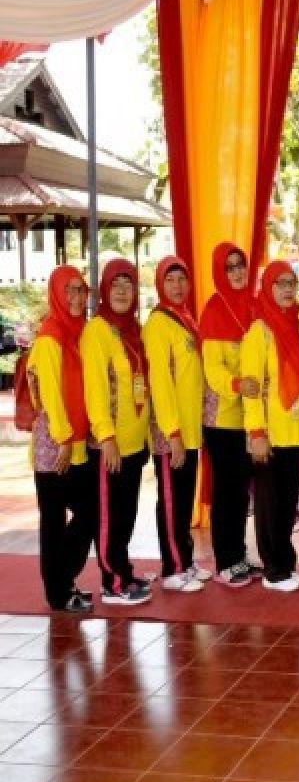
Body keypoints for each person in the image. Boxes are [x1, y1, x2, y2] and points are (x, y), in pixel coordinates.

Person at [241, 261, 299, 593]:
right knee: (270, 504)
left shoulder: (298, 326)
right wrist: (256, 432)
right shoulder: (259, 332)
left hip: (294, 430)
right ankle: (273, 569)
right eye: (280, 283)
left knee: (286, 503)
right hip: (269, 432)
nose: (287, 289)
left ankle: (285, 564)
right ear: (268, 288)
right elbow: (252, 387)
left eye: (291, 283)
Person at [82, 259, 152, 606]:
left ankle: (123, 569)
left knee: (126, 514)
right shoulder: (98, 329)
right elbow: (96, 388)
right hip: (111, 445)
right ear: (105, 290)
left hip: (135, 441)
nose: (123, 291)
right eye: (116, 284)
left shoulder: (133, 329)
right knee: (109, 517)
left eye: (129, 284)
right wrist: (106, 437)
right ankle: (111, 582)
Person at [28, 266, 96, 613]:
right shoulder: (49, 338)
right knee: (54, 523)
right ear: (56, 293)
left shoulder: (78, 334)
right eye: (68, 290)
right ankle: (58, 593)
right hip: (56, 446)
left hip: (77, 442)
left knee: (88, 513)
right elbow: (50, 395)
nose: (75, 297)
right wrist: (64, 438)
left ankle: (64, 580)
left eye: (80, 290)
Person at [144, 256, 211, 594]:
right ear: (160, 284)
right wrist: (172, 433)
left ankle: (184, 560)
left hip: (189, 429)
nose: (177, 286)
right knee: (171, 500)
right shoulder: (158, 324)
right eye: (169, 280)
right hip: (172, 433)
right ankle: (172, 568)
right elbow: (160, 381)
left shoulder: (185, 319)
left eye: (181, 279)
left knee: (184, 499)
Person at [199, 242, 261, 587]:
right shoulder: (213, 310)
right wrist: (239, 383)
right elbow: (214, 371)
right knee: (226, 491)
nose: (237, 272)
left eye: (241, 265)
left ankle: (238, 555)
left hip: (248, 417)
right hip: (222, 418)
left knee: (241, 491)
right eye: (230, 267)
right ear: (220, 272)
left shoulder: (253, 305)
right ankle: (225, 561)